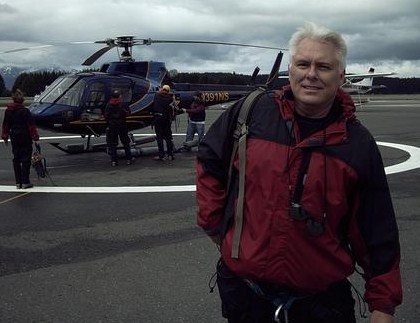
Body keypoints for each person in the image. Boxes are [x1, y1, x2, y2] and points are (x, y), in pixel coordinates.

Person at [196, 22, 402, 323]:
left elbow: (376, 228)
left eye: (324, 67)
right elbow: (209, 162)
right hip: (246, 296)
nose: (311, 74)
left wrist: (383, 305)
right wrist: (214, 225)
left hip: (320, 304)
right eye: (303, 64)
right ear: (290, 69)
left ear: (341, 76)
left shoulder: (358, 145)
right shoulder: (249, 114)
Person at [2, 89, 40, 189]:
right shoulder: (25, 111)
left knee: (16, 158)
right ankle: (25, 181)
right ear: (22, 100)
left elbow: (6, 125)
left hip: (14, 136)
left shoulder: (8, 111)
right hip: (25, 136)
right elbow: (31, 126)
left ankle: (18, 182)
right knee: (26, 159)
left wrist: (5, 136)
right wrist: (35, 137)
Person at [104, 89, 133, 166]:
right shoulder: (123, 104)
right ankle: (129, 159)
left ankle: (114, 161)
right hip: (122, 125)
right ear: (119, 96)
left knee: (113, 144)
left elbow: (106, 116)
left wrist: (109, 123)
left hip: (112, 126)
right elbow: (128, 113)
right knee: (126, 143)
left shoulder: (108, 105)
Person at [151, 84, 175, 161]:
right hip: (166, 120)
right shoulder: (170, 99)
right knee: (168, 138)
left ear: (162, 89)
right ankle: (170, 154)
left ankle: (161, 155)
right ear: (168, 91)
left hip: (158, 119)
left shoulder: (157, 96)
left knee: (159, 138)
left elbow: (158, 94)